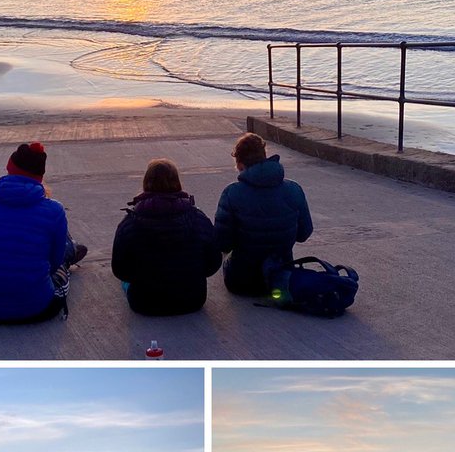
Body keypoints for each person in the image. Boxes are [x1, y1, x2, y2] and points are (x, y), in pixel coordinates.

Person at [0, 141, 86, 324]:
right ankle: (71, 251)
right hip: (36, 308)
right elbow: (53, 263)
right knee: (60, 264)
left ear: (9, 169)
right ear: (39, 176)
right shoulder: (54, 209)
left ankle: (70, 250)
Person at [111, 158, 221, 315]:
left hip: (144, 303)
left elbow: (120, 270)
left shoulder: (130, 222)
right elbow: (213, 264)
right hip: (192, 300)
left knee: (126, 280)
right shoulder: (198, 218)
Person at [213, 132, 312, 295]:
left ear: (240, 163)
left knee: (229, 263)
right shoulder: (294, 189)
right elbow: (304, 233)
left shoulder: (232, 193)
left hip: (243, 282)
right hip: (281, 276)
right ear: (264, 156)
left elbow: (223, 243)